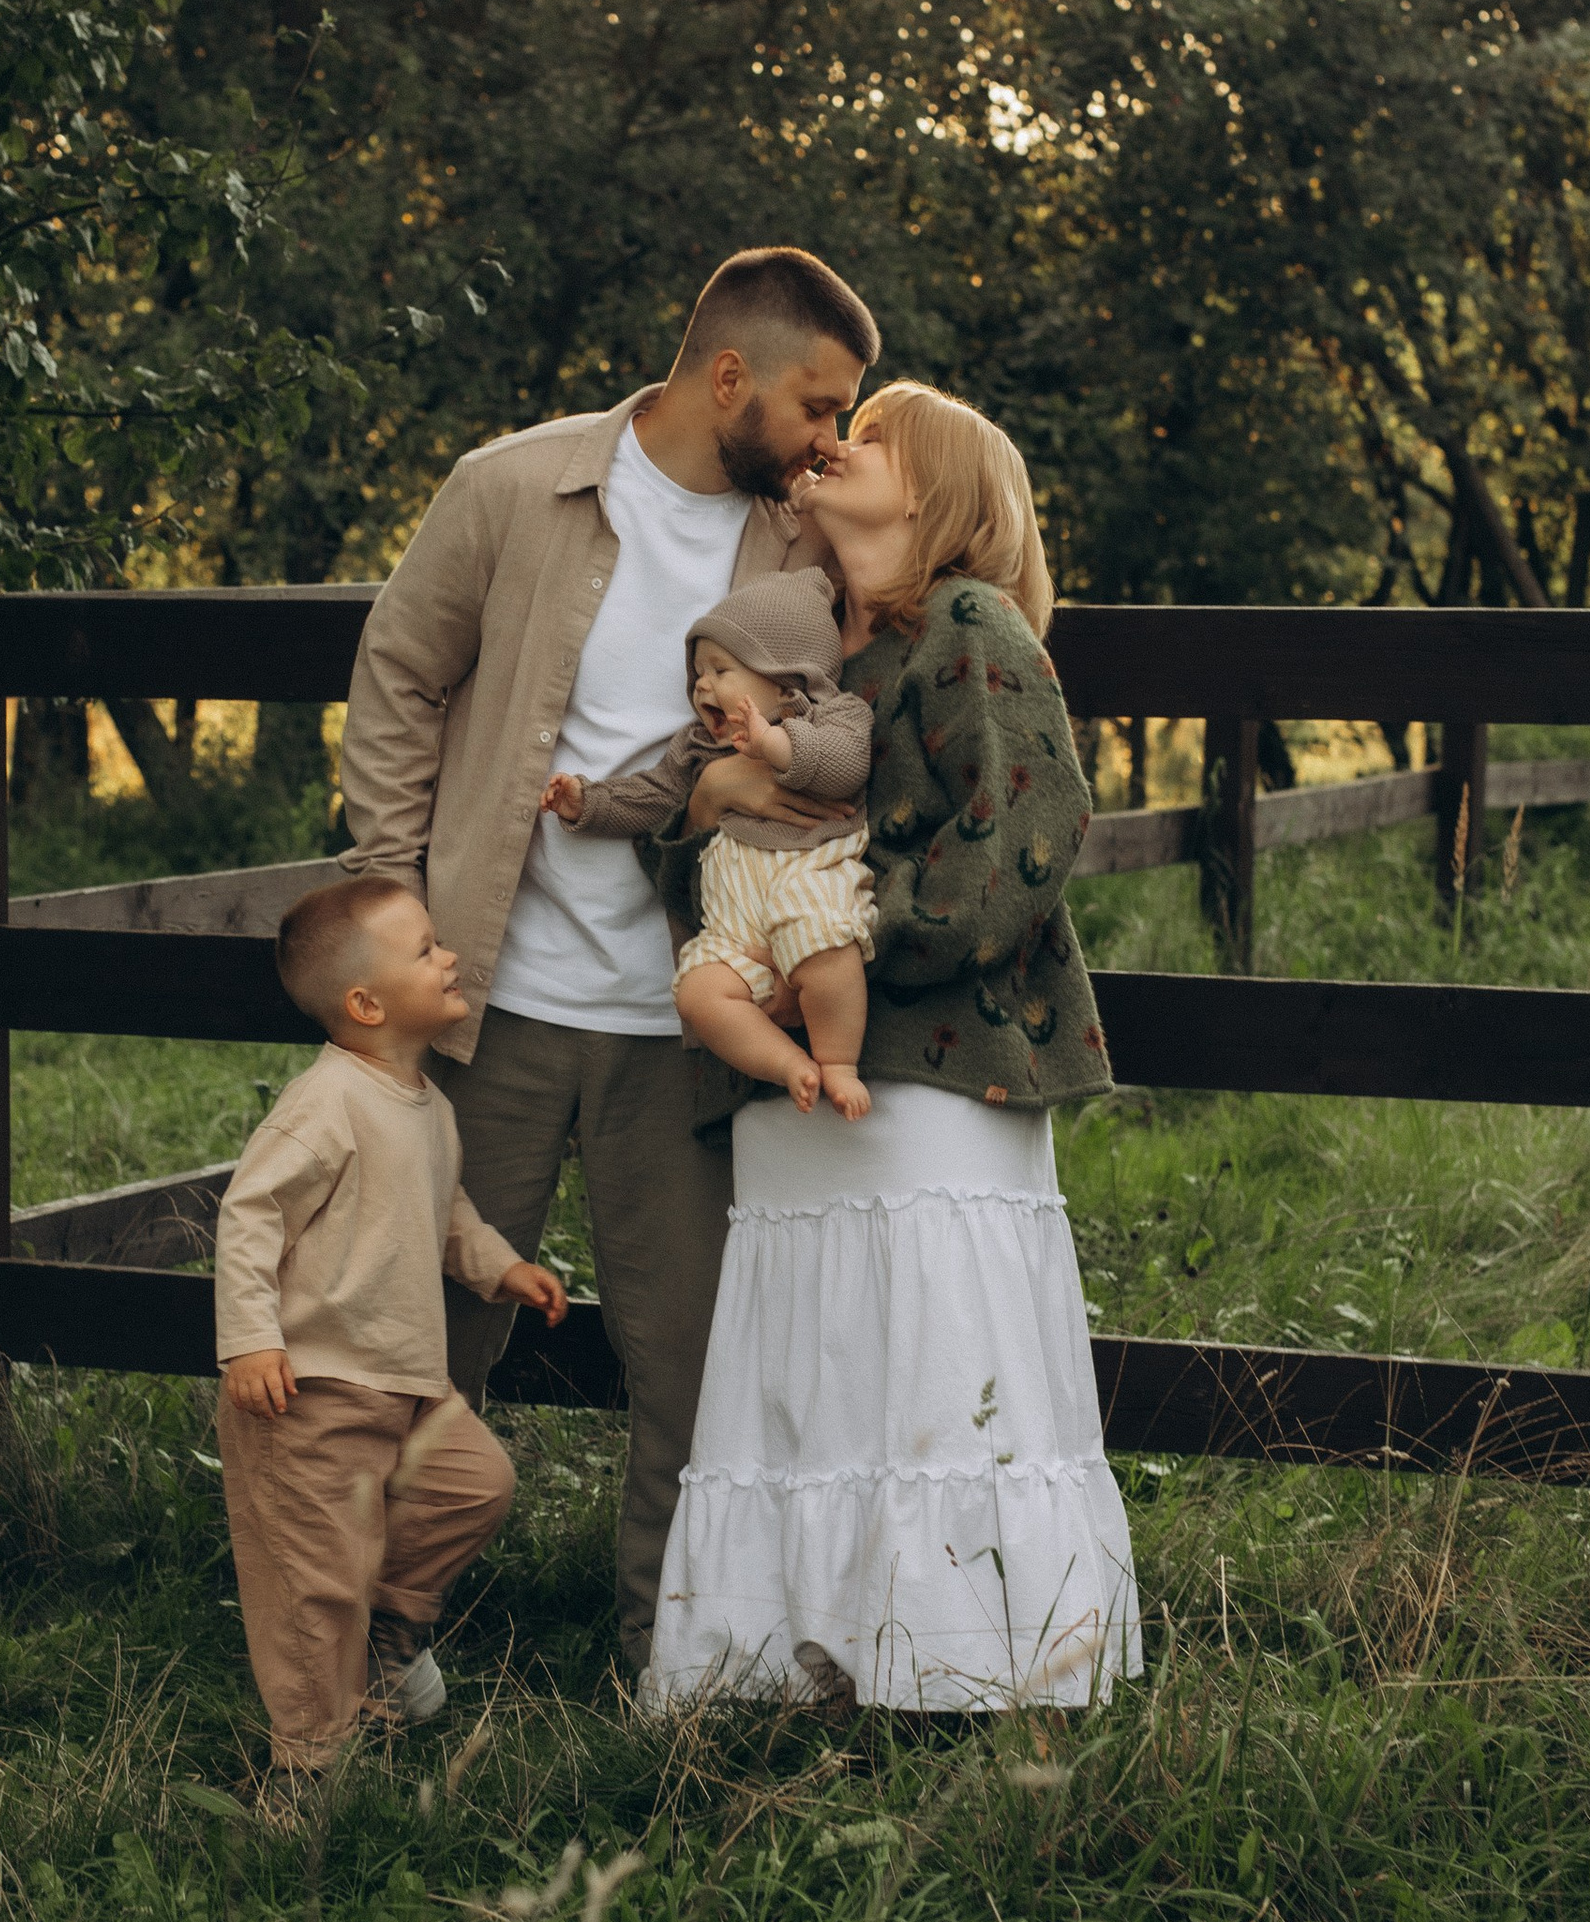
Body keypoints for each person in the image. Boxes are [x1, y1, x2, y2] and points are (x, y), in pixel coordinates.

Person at [338, 244, 881, 1673]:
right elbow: (399, 673)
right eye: (818, 407)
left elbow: (897, 656)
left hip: (697, 1024)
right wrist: (390, 901)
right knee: (426, 1340)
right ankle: (381, 1646)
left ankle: (677, 1664)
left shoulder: (805, 544)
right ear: (728, 377)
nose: (831, 440)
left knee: (695, 1367)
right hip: (491, 1006)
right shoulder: (512, 488)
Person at [644, 382, 1144, 1719]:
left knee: (932, 1346)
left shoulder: (969, 626)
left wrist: (849, 955)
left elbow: (1026, 827)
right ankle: (803, 1661)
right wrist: (708, 825)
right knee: (818, 1360)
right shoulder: (800, 653)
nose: (837, 443)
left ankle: (964, 1663)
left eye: (872, 438)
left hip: (938, 1062)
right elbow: (713, 844)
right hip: (788, 1070)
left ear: (936, 492)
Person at [213, 874, 568, 1794]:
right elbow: (251, 1215)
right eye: (425, 950)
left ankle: (384, 1638)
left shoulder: (429, 1106)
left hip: (406, 1380)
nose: (449, 957)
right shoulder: (326, 1101)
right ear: (367, 1004)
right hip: (310, 1387)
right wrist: (250, 1340)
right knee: (314, 1577)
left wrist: (500, 1268)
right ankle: (308, 1767)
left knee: (476, 1484)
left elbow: (445, 1213)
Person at [540, 564, 877, 1119]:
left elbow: (844, 766)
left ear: (786, 681)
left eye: (721, 669)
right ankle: (787, 1063)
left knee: (827, 952)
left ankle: (838, 1061)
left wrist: (775, 746)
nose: (701, 686)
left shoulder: (833, 716)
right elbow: (656, 795)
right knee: (697, 992)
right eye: (698, 673)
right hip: (733, 920)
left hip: (810, 884)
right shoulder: (698, 746)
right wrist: (589, 802)